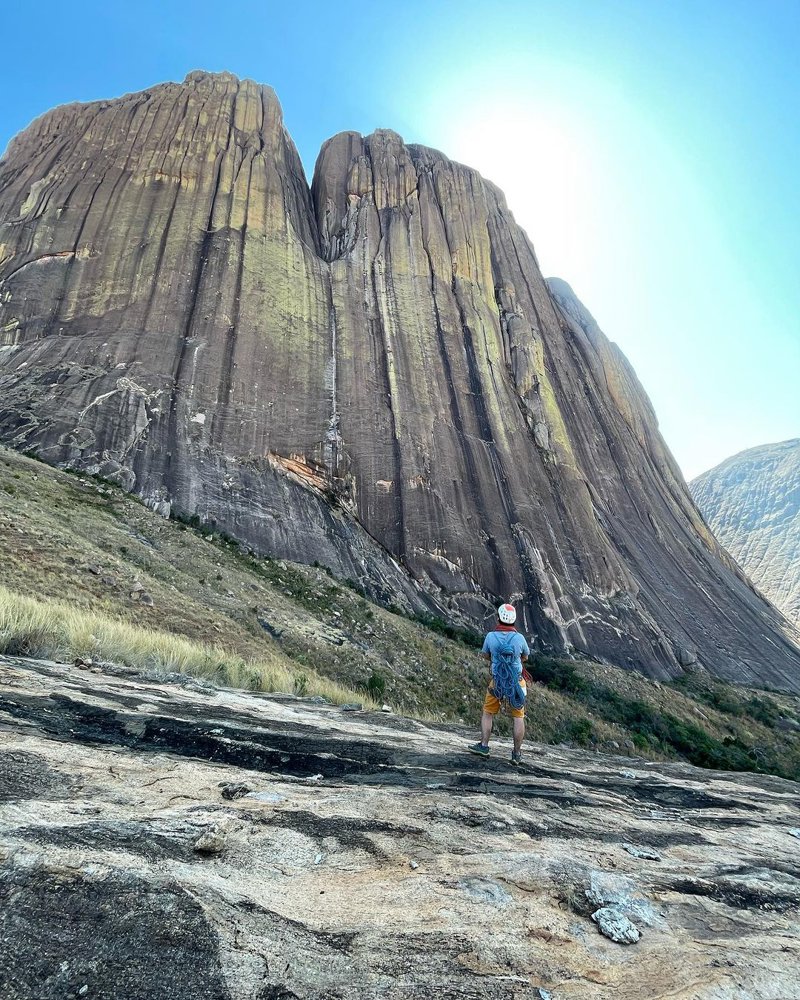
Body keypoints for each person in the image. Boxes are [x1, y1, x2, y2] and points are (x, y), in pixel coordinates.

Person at [469, 603, 530, 765]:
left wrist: (497, 660)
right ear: (514, 620)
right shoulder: (519, 638)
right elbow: (525, 657)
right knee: (518, 716)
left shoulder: (490, 636)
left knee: (488, 712)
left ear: (498, 618)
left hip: (497, 681)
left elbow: (485, 655)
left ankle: (484, 746)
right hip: (516, 681)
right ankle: (516, 754)